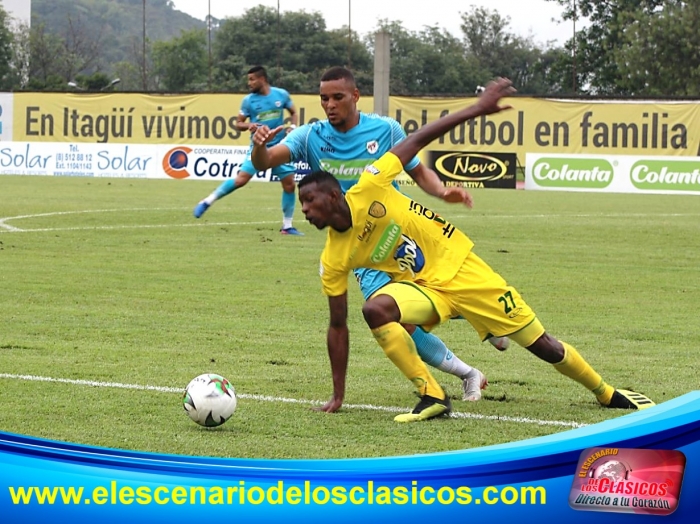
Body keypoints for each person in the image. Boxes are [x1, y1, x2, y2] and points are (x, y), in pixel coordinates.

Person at [291, 77, 655, 422]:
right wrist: (338, 394)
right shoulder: (333, 258)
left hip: (463, 270)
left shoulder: (371, 183)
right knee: (377, 309)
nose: (304, 210)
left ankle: (605, 392)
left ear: (335, 194)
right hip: (423, 287)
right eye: (301, 204)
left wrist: (477, 109)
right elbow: (337, 325)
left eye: (309, 201)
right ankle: (432, 395)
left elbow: (417, 140)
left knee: (543, 345)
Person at [250, 66, 507, 401]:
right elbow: (265, 160)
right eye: (324, 98)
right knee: (393, 317)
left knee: (443, 291)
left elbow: (417, 169)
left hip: (398, 234)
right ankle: (469, 374)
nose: (329, 105)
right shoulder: (310, 137)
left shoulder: (385, 129)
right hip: (361, 252)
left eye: (337, 97)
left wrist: (443, 192)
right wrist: (258, 146)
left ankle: (488, 322)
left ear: (355, 96)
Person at [193, 65, 303, 236]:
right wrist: (249, 125)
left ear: (263, 79)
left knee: (289, 185)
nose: (249, 83)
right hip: (258, 147)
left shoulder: (281, 94)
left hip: (280, 146)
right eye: (248, 79)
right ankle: (207, 201)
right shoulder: (248, 101)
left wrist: (293, 126)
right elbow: (238, 123)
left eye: (252, 79)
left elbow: (294, 112)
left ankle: (287, 226)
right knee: (241, 180)